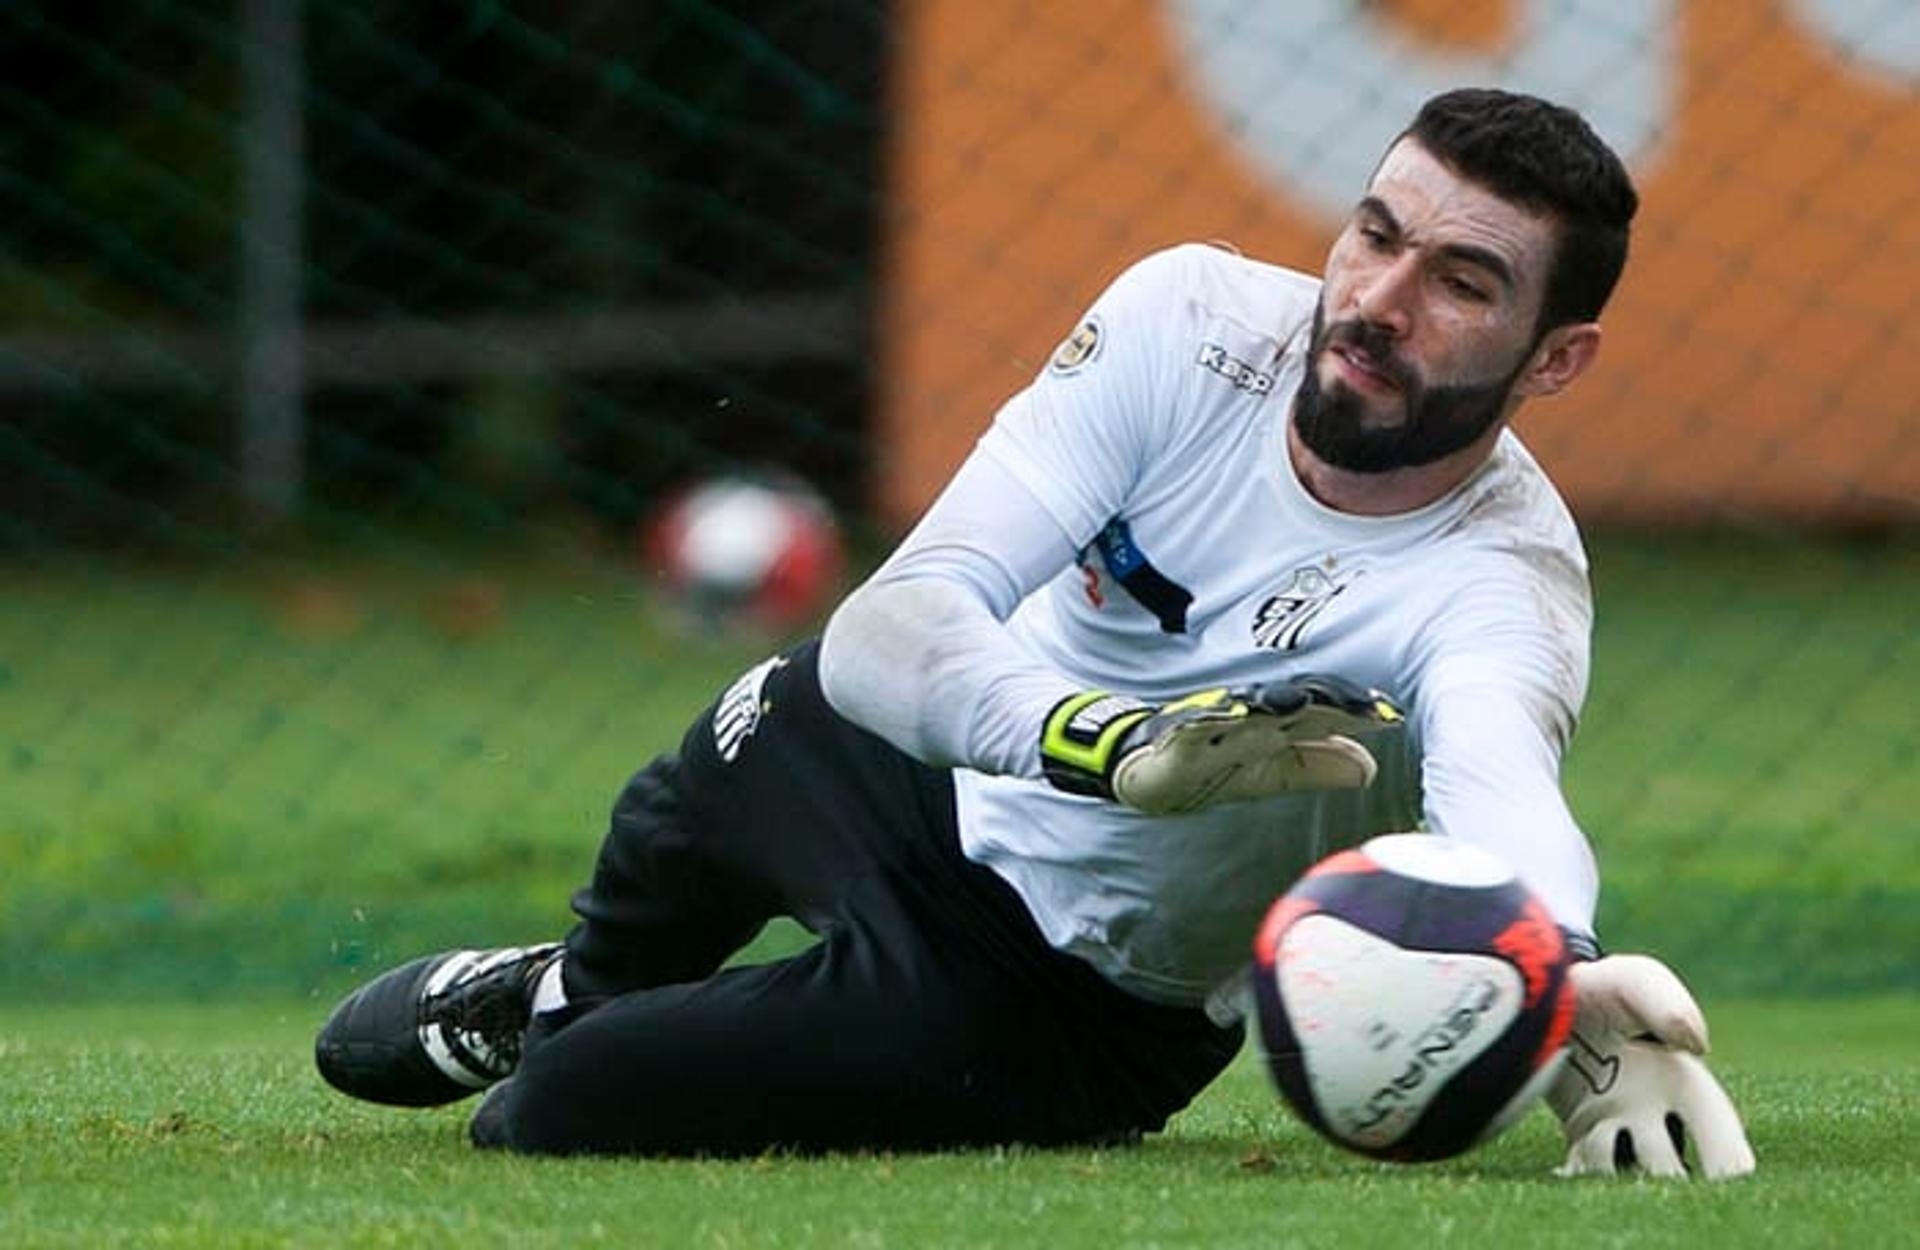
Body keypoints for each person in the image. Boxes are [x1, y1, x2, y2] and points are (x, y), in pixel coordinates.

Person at [315, 87, 1755, 1177]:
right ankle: (562, 986)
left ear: (1554, 358)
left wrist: (1561, 973)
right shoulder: (1184, 319)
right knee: (723, 763)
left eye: (1462, 281)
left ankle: (579, 1037)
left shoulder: (1501, 575)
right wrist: (1110, 746)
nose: (1378, 302)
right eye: (1376, 234)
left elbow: (1502, 789)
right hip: (934, 768)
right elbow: (897, 625)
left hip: (1059, 993)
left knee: (562, 1112)